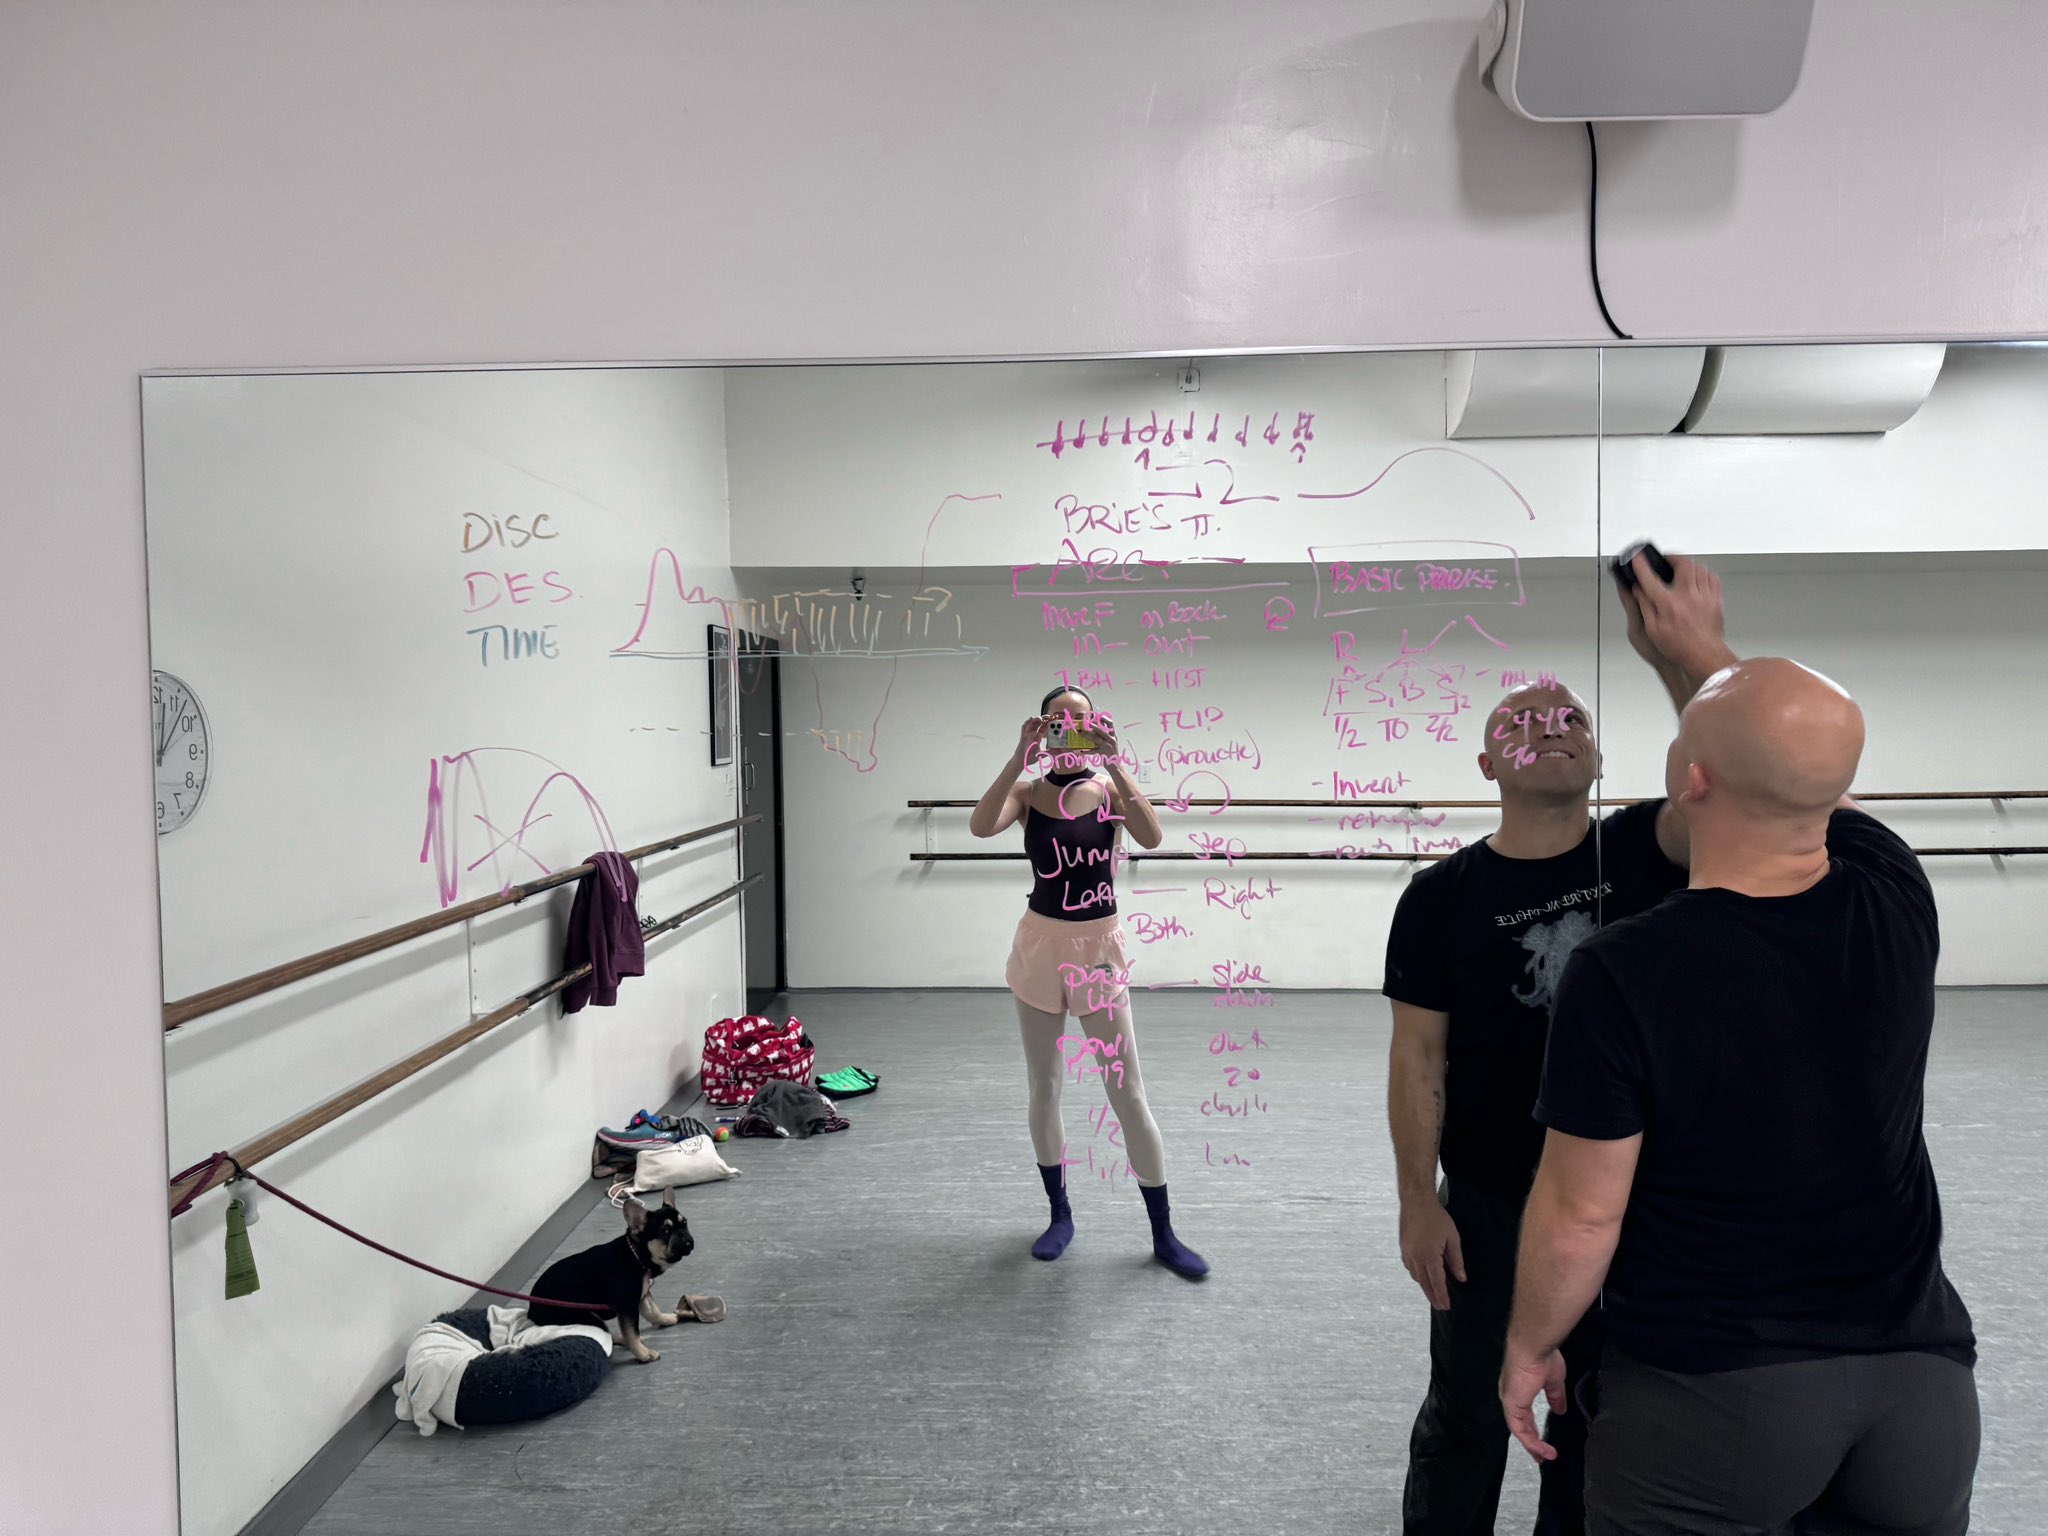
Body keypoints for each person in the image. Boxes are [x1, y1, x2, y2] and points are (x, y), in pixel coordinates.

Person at [1502, 644, 1980, 1533]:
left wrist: (1531, 1343)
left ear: (1692, 780)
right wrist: (1704, 654)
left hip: (1717, 1398)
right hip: (1922, 1396)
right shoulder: (1899, 895)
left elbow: (1581, 1215)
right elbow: (1809, 777)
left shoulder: (1624, 969)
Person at [1385, 552, 1730, 1534]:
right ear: (1486, 767)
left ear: (1599, 757)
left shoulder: (1651, 850)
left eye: (1569, 716)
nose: (1548, 726)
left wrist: (1683, 660)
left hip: (1627, 1197)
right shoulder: (1439, 898)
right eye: (1519, 721)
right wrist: (1418, 1202)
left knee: (1590, 1416)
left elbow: (1736, 772)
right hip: (1490, 1199)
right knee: (1464, 1411)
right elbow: (1416, 1059)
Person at [968, 685, 1208, 1279]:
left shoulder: (1108, 790)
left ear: (1095, 724)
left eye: (1080, 717)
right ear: (1043, 726)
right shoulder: (1027, 792)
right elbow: (980, 826)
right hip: (1040, 945)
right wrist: (1017, 758)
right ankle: (1059, 1215)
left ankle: (1163, 1232)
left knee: (1128, 1093)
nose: (1069, 725)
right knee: (1045, 1086)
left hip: (1098, 949)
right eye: (1059, 718)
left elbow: (1151, 836)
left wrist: (1117, 763)